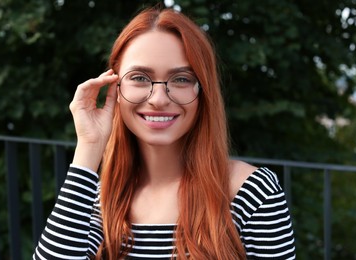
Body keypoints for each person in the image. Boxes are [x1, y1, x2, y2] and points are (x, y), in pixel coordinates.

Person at [33, 6, 296, 260]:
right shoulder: (98, 200)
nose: (158, 98)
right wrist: (89, 146)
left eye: (181, 79)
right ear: (115, 87)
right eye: (139, 77)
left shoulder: (250, 192)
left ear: (203, 92)